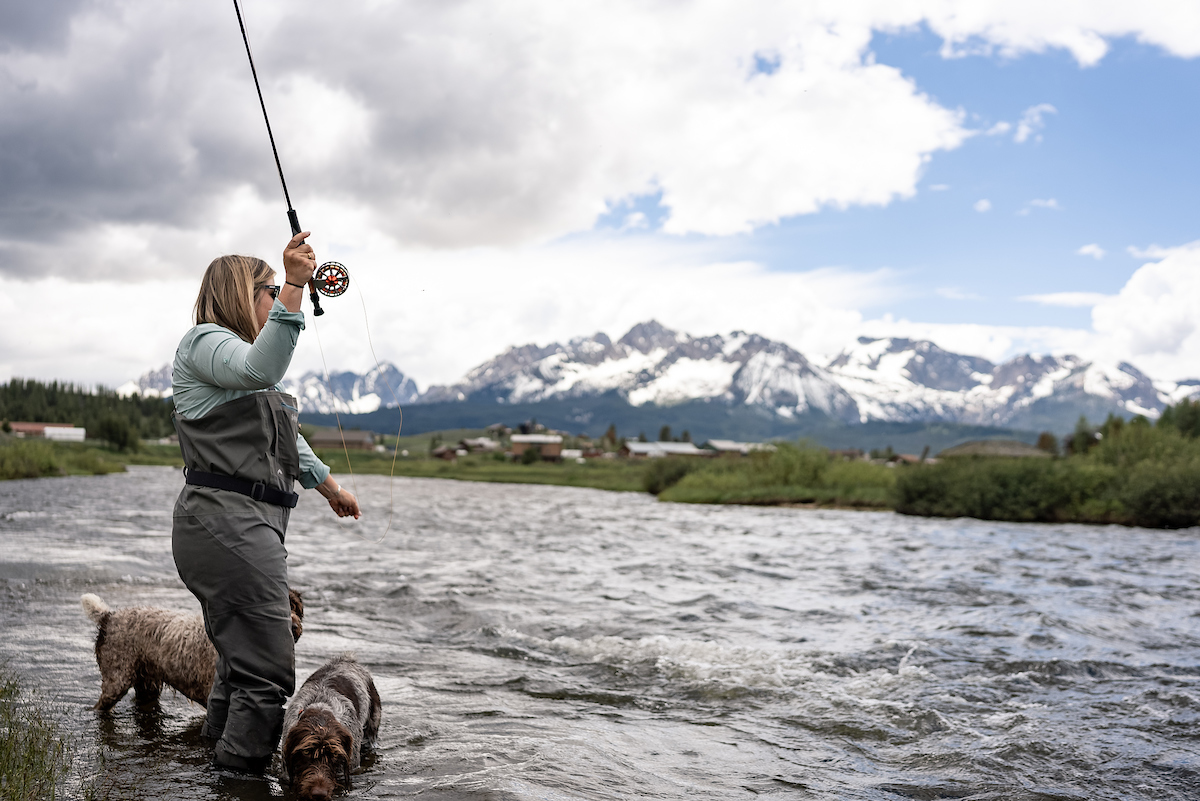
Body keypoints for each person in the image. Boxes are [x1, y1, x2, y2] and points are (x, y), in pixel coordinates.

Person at [170, 232, 361, 773]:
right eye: (271, 291)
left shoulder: (232, 364)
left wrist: (331, 490)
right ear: (241, 293)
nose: (278, 300)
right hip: (226, 525)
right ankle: (240, 784)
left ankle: (216, 768)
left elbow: (288, 443)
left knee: (240, 667)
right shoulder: (205, 343)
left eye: (281, 291)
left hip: (239, 527)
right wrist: (299, 284)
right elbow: (263, 369)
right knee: (269, 673)